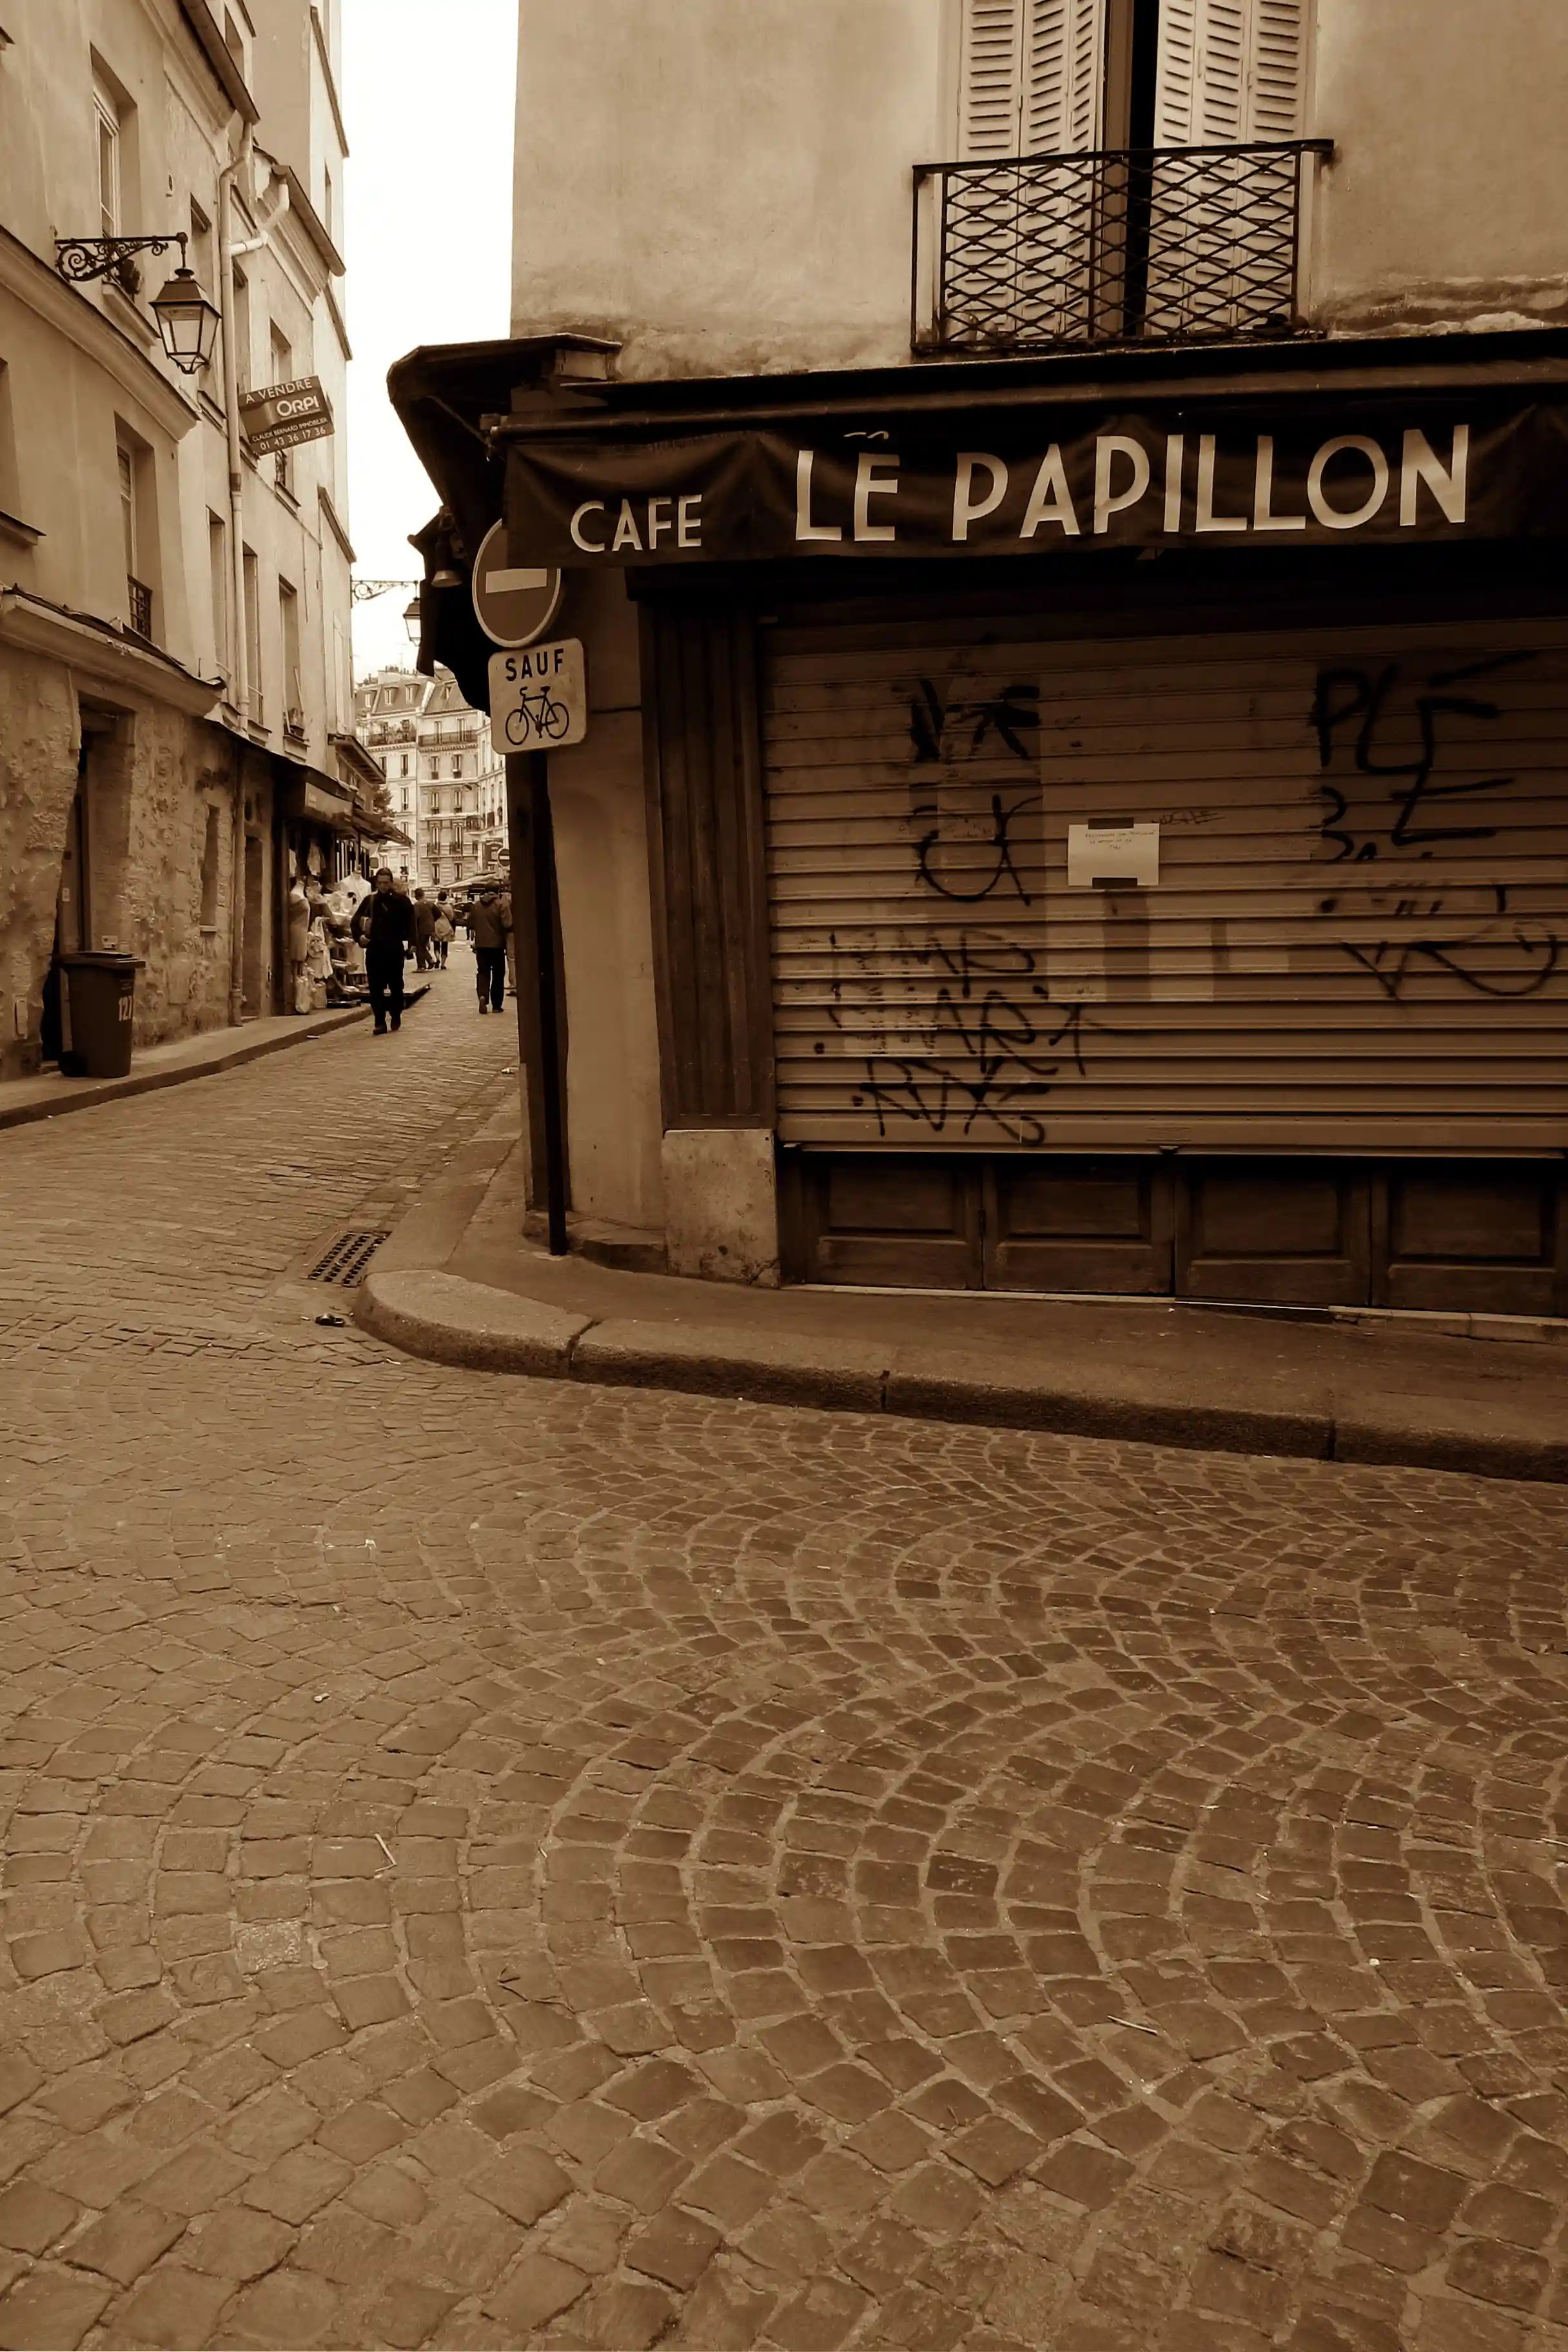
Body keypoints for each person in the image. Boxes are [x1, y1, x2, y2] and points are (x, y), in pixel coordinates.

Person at [353, 867, 416, 1034]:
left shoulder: (402, 902)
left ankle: (396, 1014)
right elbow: (355, 922)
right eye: (380, 883)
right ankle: (379, 1022)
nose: (383, 886)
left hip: (394, 949)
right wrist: (359, 937)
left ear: (391, 883)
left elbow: (411, 924)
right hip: (375, 949)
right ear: (376, 883)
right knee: (375, 988)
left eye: (386, 883)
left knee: (396, 987)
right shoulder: (370, 901)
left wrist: (412, 943)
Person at [468, 883, 509, 1015]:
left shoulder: (477, 905)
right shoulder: (500, 904)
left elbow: (470, 923)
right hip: (497, 945)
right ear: (498, 892)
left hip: (481, 944)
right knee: (498, 974)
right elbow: (507, 923)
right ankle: (496, 1004)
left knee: (483, 972)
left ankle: (483, 996)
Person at [411, 887, 436, 971]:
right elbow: (438, 913)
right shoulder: (430, 903)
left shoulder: (417, 905)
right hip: (430, 928)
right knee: (422, 946)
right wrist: (432, 920)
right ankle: (430, 961)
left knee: (419, 947)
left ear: (416, 896)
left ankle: (422, 965)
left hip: (421, 928)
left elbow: (416, 918)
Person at [431, 899, 454, 967]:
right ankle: (443, 964)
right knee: (445, 945)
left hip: (436, 926)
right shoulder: (449, 907)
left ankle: (437, 958)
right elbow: (452, 918)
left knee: (436, 944)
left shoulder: (435, 906)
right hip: (446, 926)